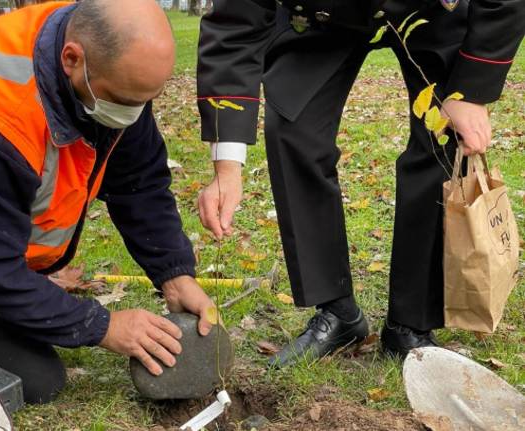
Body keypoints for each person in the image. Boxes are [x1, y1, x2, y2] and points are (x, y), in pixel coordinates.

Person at [0, 0, 215, 403]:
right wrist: (104, 326)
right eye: (123, 100)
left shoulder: (106, 62)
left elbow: (138, 181)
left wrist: (174, 273)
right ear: (72, 59)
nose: (133, 114)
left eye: (145, 100)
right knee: (33, 381)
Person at [196, 0, 524, 366]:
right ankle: (338, 313)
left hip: (433, 12)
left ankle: (411, 324)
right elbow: (235, 21)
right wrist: (227, 164)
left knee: (443, 137)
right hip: (326, 13)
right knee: (293, 126)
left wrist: (472, 91)